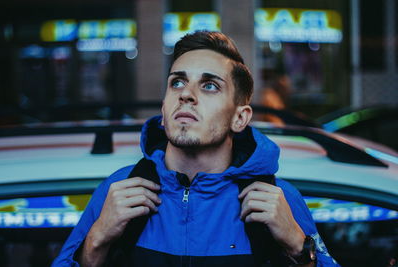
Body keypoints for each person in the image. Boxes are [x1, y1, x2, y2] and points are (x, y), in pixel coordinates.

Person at [53, 31, 339, 267]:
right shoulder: (118, 189)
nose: (186, 94)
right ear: (164, 111)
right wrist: (96, 240)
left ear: (239, 118)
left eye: (210, 86)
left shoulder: (280, 199)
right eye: (177, 82)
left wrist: (301, 248)